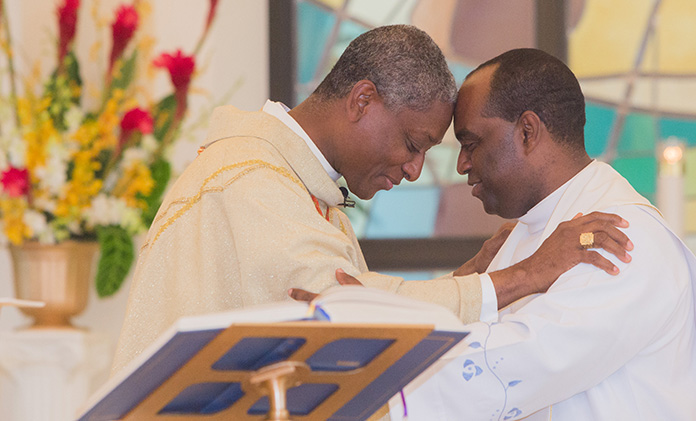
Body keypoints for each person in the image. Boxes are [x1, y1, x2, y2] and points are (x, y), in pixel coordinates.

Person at [111, 26, 631, 377]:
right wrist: (523, 276)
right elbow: (342, 314)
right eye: (413, 144)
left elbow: (356, 306)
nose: (413, 171)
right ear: (363, 100)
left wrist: (469, 273)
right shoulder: (251, 182)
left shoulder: (295, 185)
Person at [372, 49, 696, 420]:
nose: (462, 165)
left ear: (527, 131)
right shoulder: (519, 238)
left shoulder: (619, 235)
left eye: (471, 144)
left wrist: (368, 373)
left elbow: (529, 358)